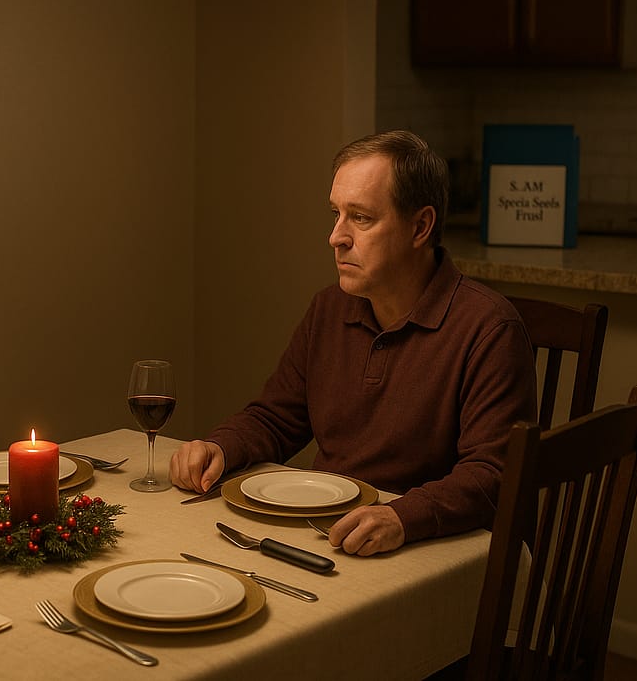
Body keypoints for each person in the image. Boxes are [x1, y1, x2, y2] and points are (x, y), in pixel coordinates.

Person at [170, 130, 537, 557]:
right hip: (328, 535)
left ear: (420, 226)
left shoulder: (489, 328)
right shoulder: (330, 308)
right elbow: (277, 417)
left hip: (423, 550)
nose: (336, 236)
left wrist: (402, 516)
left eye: (360, 218)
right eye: (336, 214)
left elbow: (493, 474)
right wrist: (219, 446)